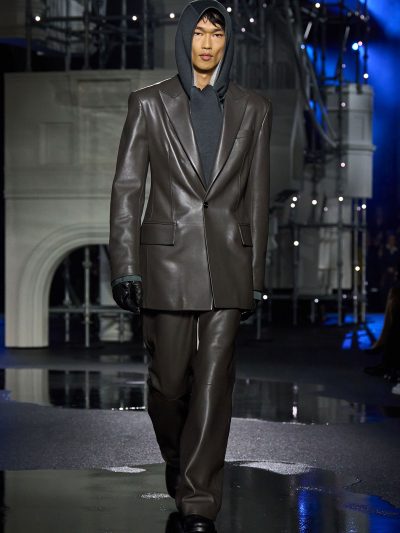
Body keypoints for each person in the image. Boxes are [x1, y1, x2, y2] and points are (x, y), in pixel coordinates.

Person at [108, 1, 273, 531]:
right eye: (199, 32)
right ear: (184, 38)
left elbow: (257, 197)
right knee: (169, 385)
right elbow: (128, 188)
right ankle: (181, 463)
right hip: (166, 264)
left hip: (228, 263)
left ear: (227, 41)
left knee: (214, 385)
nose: (207, 43)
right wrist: (125, 265)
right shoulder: (149, 103)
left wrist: (256, 276)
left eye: (216, 34)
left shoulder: (254, 108)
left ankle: (199, 499)